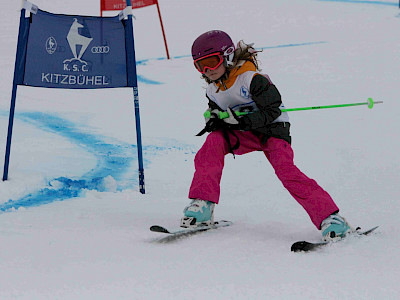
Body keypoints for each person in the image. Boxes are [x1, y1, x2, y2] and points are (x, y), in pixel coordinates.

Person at [181, 30, 353, 241]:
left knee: (286, 171)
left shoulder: (252, 79)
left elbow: (273, 111)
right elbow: (217, 112)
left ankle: (331, 218)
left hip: (273, 132)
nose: (207, 70)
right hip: (244, 133)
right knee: (212, 143)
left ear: (226, 56)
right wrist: (215, 119)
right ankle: (202, 205)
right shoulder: (212, 89)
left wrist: (242, 121)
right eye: (200, 65)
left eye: (212, 62)